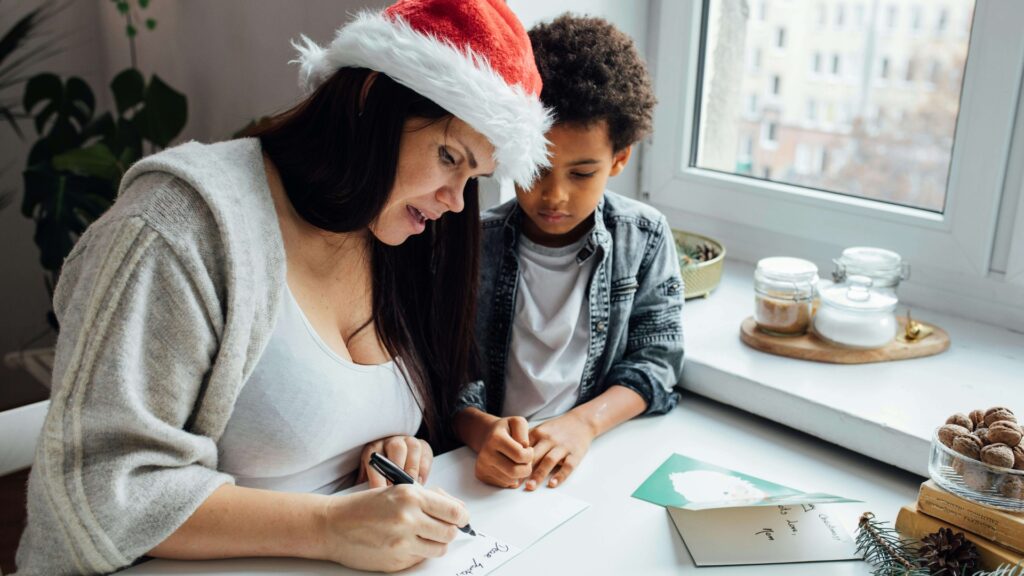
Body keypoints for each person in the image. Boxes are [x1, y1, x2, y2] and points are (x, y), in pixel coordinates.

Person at [14, 1, 551, 574]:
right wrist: (328, 527)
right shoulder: (178, 227)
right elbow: (99, 490)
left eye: (474, 178)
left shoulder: (394, 235)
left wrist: (387, 451)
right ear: (370, 100)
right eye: (448, 157)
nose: (455, 201)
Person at [454, 14, 684, 493]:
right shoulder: (474, 241)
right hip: (479, 469)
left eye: (581, 174)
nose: (553, 196)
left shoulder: (643, 237)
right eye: (536, 167)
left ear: (619, 160)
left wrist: (584, 424)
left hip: (590, 468)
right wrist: (480, 430)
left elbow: (655, 363)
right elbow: (437, 371)